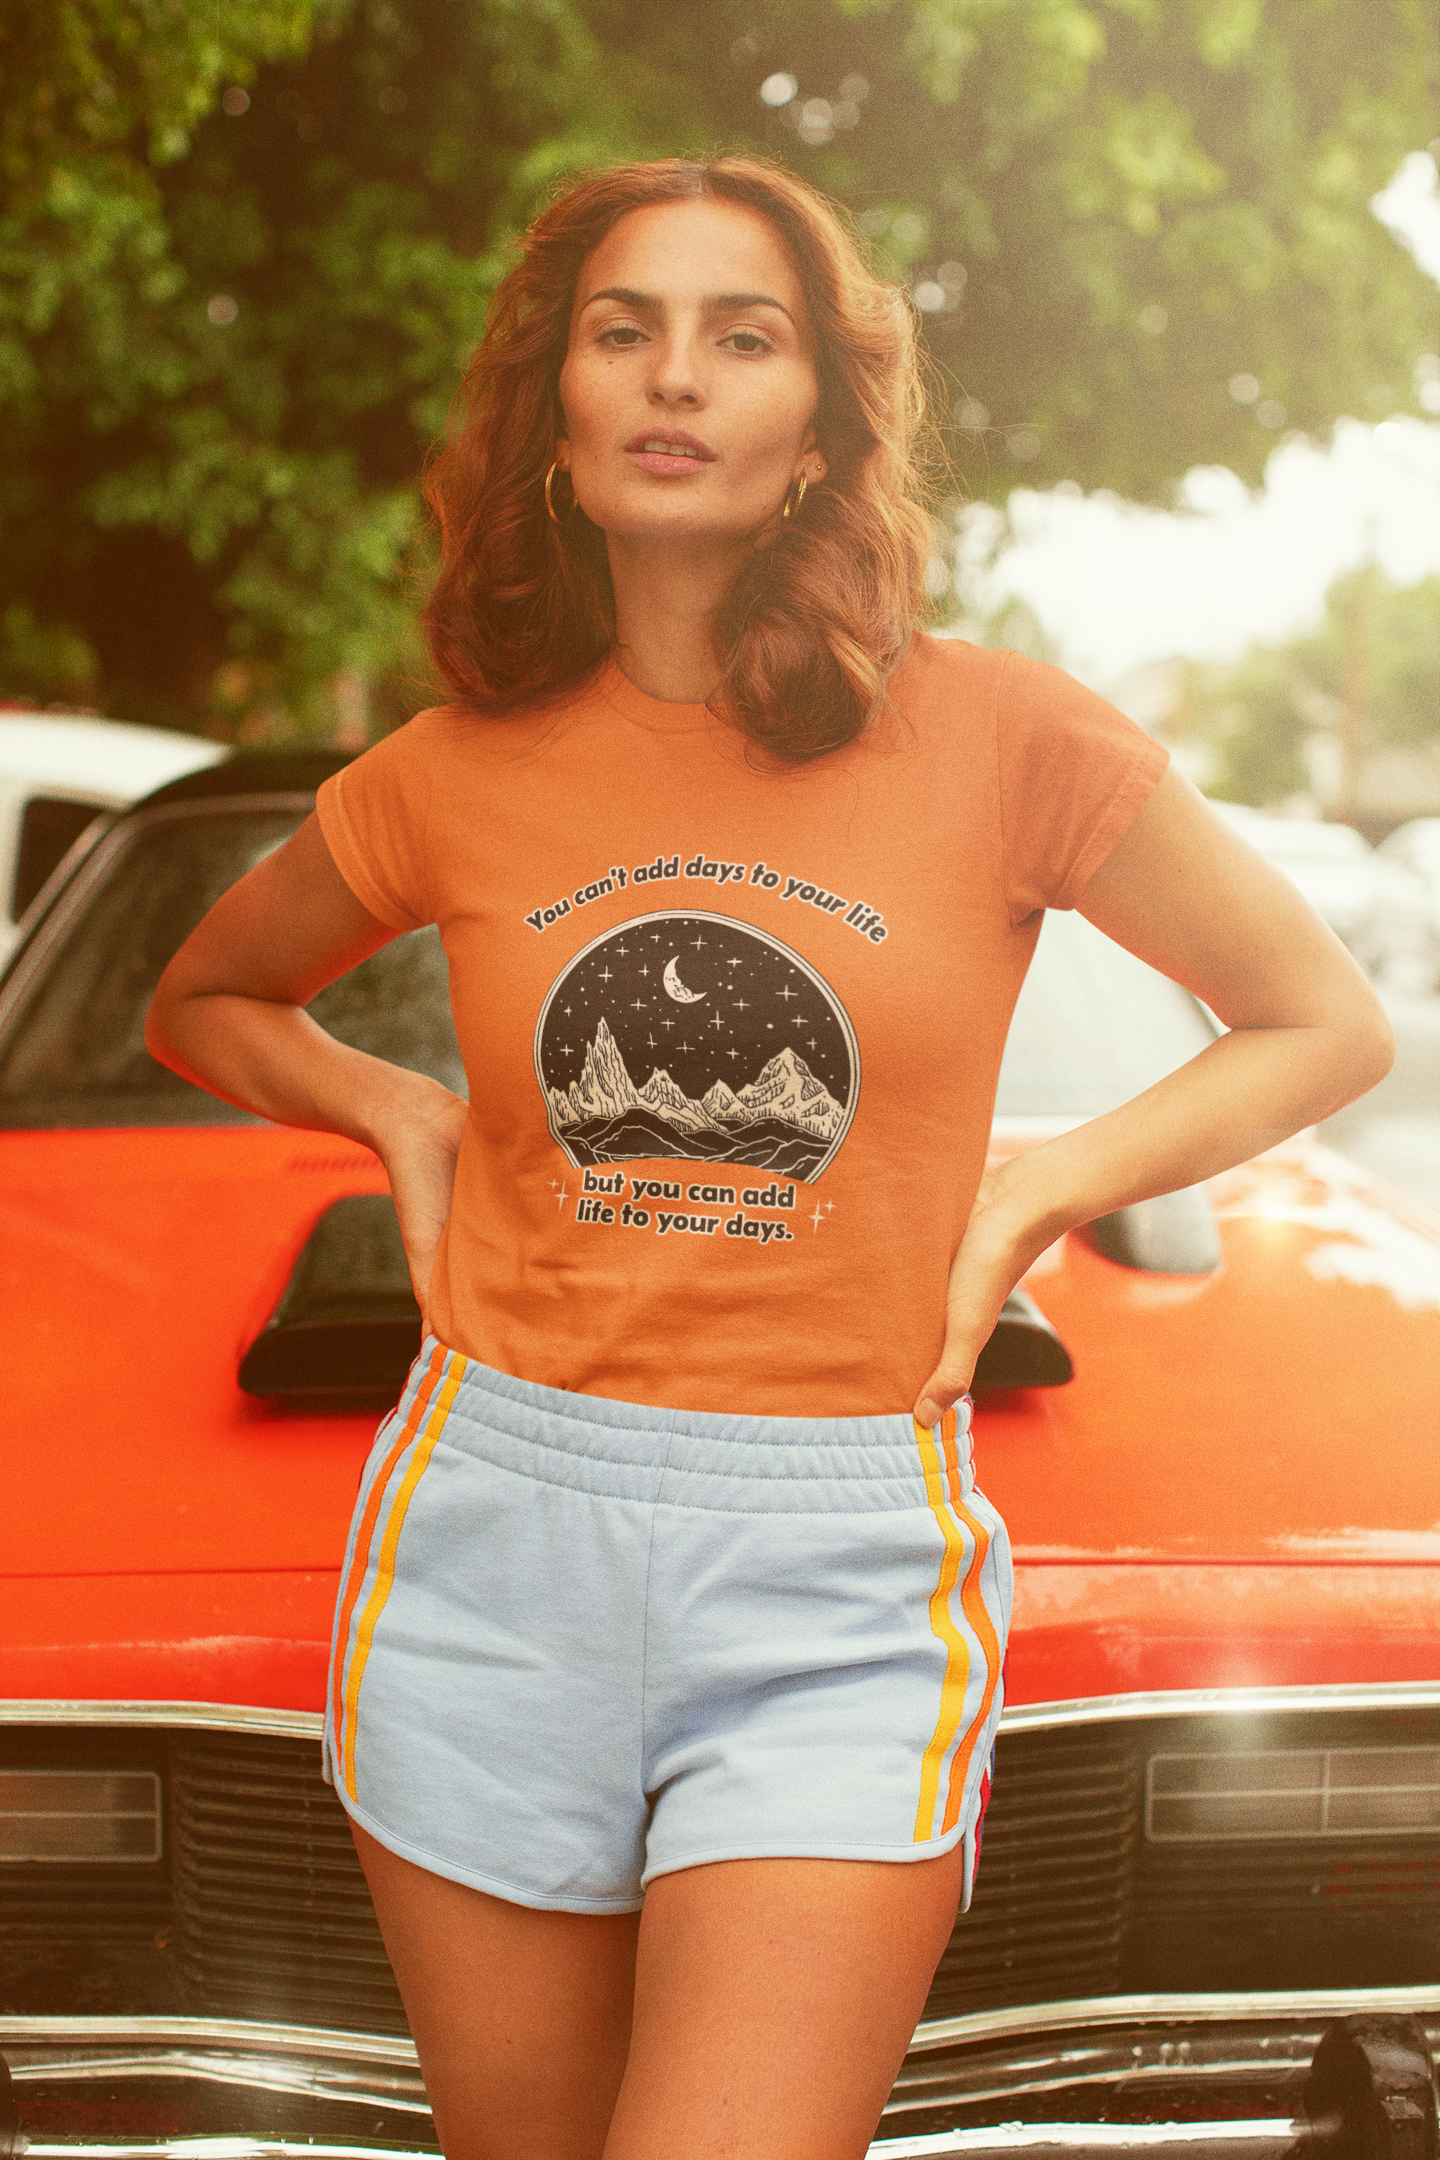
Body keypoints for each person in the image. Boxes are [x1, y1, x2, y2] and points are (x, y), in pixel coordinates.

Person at [146, 155, 1393, 2160]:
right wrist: (400, 1112)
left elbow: (1323, 1018)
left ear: (823, 415)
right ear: (555, 399)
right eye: (623, 329)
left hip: (835, 1557)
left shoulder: (1009, 740)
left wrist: (1033, 1185)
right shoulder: (447, 774)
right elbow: (205, 999)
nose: (677, 377)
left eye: (745, 336)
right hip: (493, 1533)